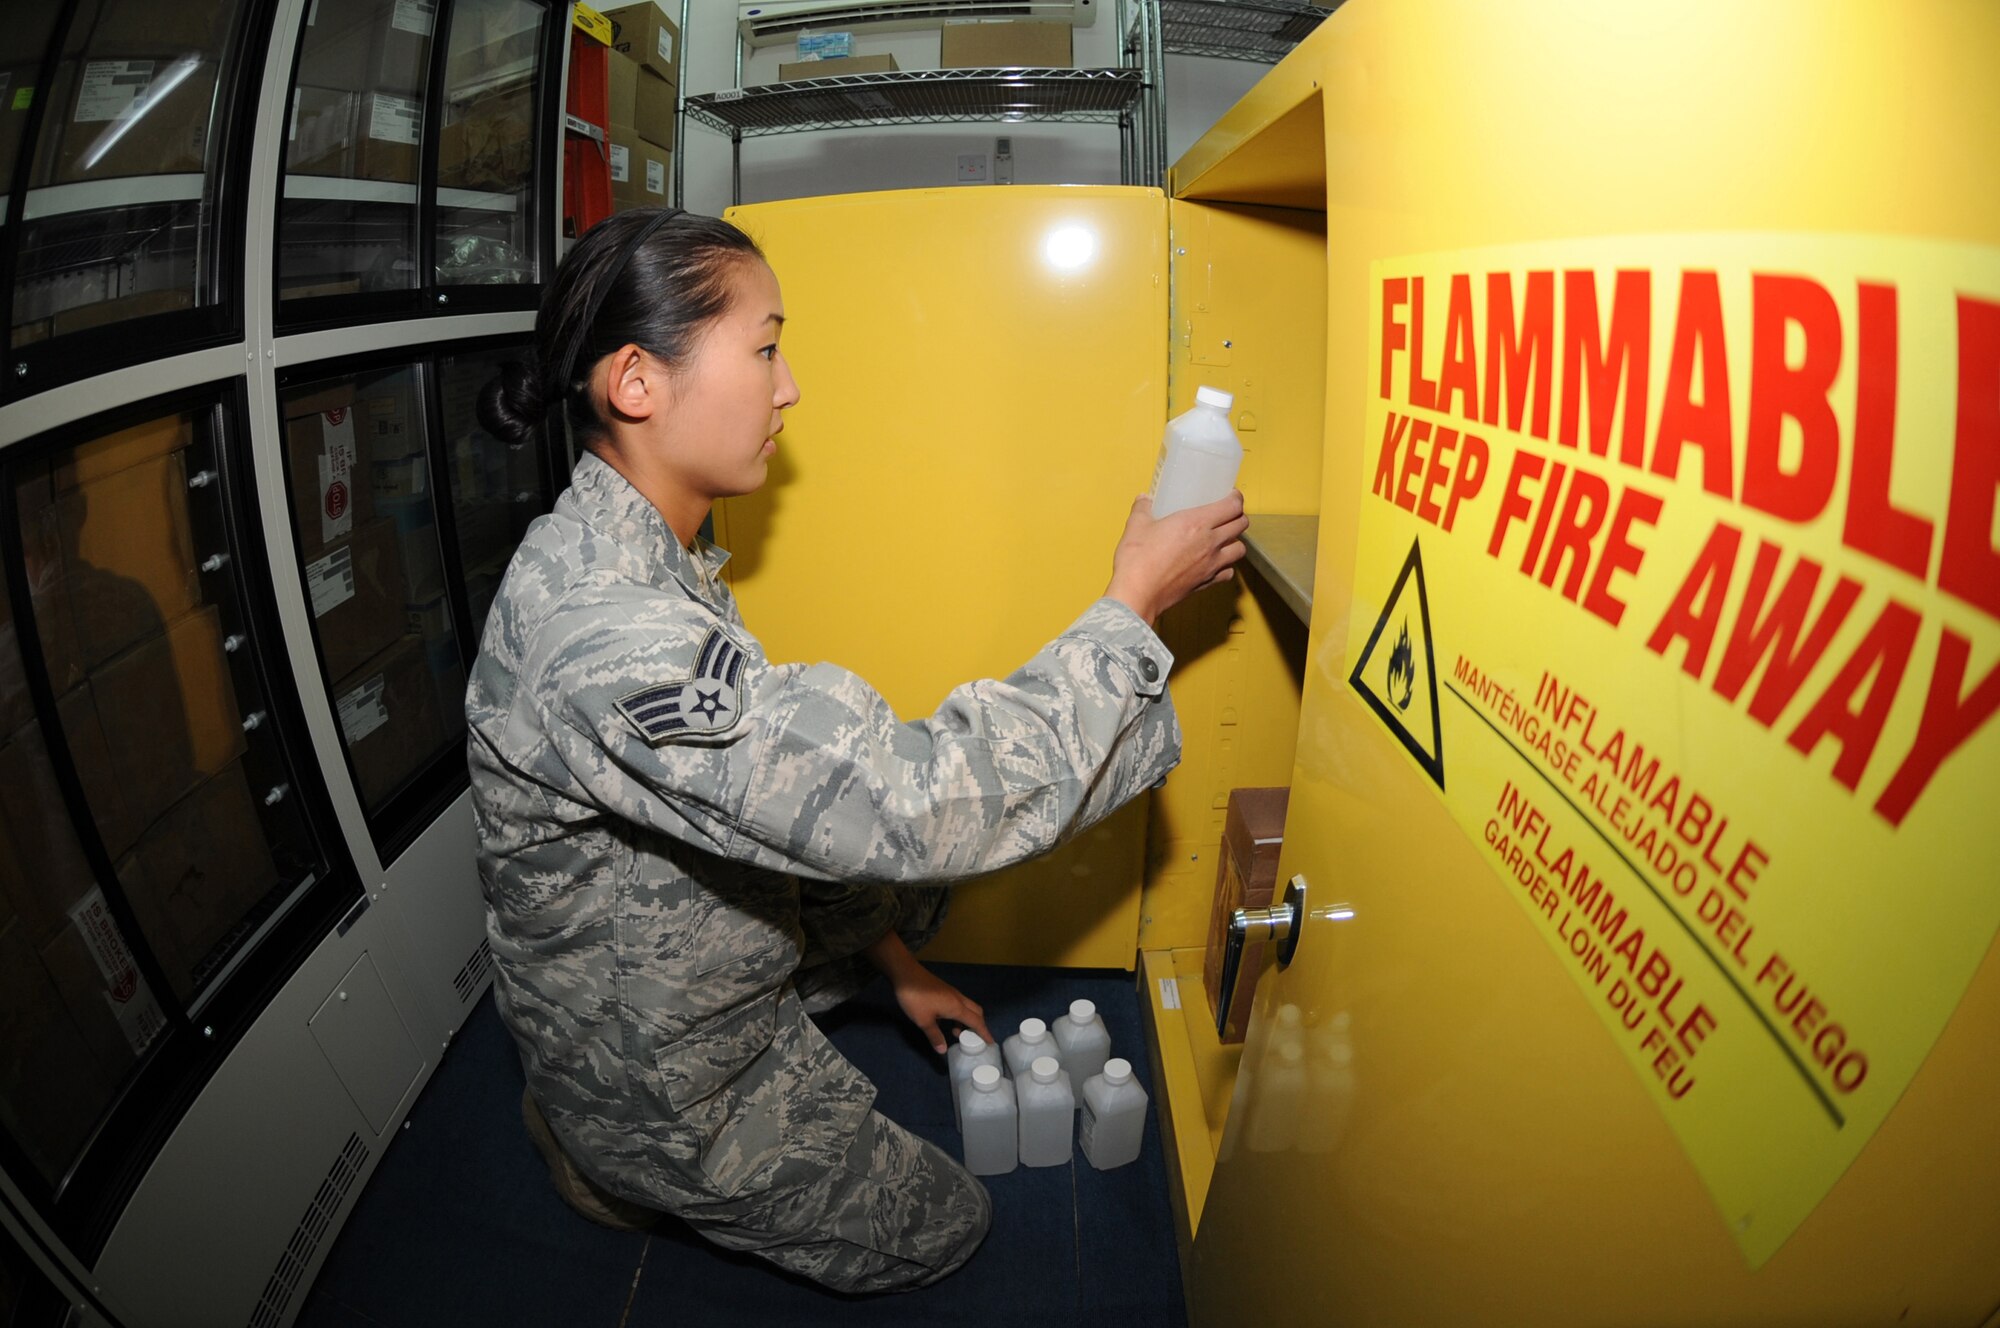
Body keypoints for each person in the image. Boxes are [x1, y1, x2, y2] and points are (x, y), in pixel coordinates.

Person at [468, 206, 1247, 1292]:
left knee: (908, 894)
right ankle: (610, 1156)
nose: (787, 388)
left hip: (667, 959)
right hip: (650, 1068)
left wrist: (897, 967)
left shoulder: (641, 549)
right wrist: (1132, 606)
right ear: (637, 383)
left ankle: (652, 1087)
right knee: (945, 1223)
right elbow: (918, 800)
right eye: (765, 346)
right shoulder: (605, 637)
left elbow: (781, 806)